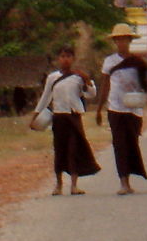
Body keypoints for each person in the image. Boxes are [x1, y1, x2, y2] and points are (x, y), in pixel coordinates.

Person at [30, 46, 100, 195]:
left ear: (73, 59)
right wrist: (35, 115)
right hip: (59, 117)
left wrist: (88, 80)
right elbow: (45, 97)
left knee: (74, 150)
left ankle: (74, 185)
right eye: (62, 56)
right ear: (58, 59)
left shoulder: (78, 77)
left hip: (74, 116)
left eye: (68, 56)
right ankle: (59, 185)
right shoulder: (52, 78)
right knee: (60, 150)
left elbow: (91, 95)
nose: (65, 59)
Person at [96, 23, 147, 195]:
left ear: (129, 41)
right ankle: (123, 182)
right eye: (118, 40)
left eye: (124, 39)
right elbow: (105, 84)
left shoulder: (137, 62)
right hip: (115, 108)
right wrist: (99, 108)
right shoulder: (109, 61)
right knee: (119, 144)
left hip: (133, 109)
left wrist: (145, 94)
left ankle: (131, 176)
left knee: (132, 143)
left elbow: (146, 82)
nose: (121, 43)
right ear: (115, 42)